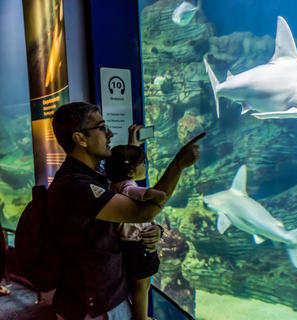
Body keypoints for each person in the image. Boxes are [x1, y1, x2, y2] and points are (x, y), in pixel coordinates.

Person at [48, 102, 205, 320]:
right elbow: (142, 213)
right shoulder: (77, 185)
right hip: (93, 309)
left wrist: (153, 231)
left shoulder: (95, 176)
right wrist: (178, 164)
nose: (110, 134)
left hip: (105, 298)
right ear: (80, 139)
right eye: (102, 128)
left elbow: (122, 217)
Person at [104, 144, 167, 320]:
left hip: (127, 240)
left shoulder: (112, 185)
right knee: (143, 284)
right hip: (137, 241)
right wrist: (154, 194)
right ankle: (142, 318)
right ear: (130, 172)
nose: (145, 167)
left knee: (138, 283)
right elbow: (133, 191)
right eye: (142, 164)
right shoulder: (127, 185)